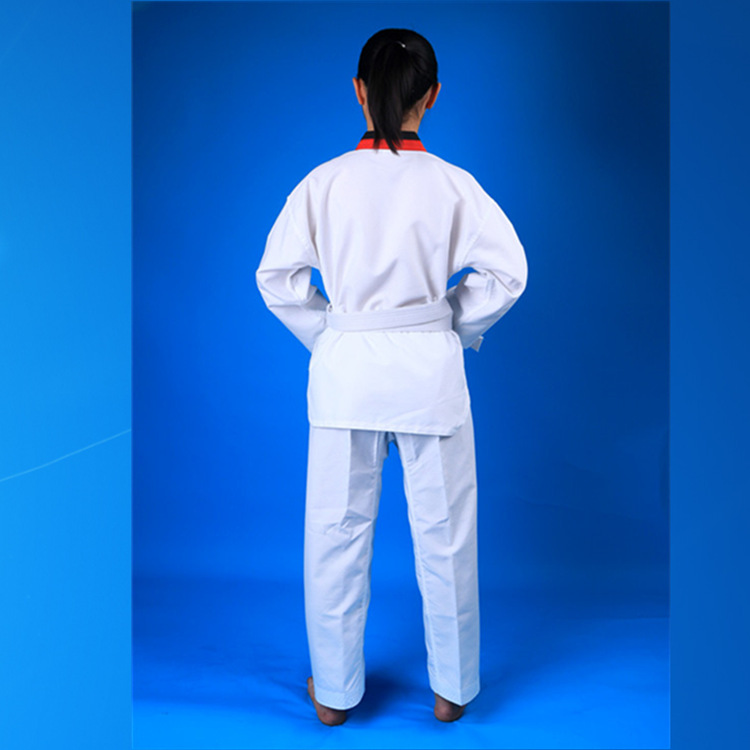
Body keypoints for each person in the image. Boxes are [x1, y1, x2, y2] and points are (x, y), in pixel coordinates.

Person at [256, 27, 528, 726]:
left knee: (336, 534)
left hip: (346, 374)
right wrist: (451, 324)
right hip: (429, 373)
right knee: (446, 533)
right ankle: (452, 689)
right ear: (431, 96)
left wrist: (331, 332)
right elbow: (509, 273)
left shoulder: (322, 184)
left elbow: (277, 278)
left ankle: (335, 694)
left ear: (358, 91)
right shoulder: (454, 186)